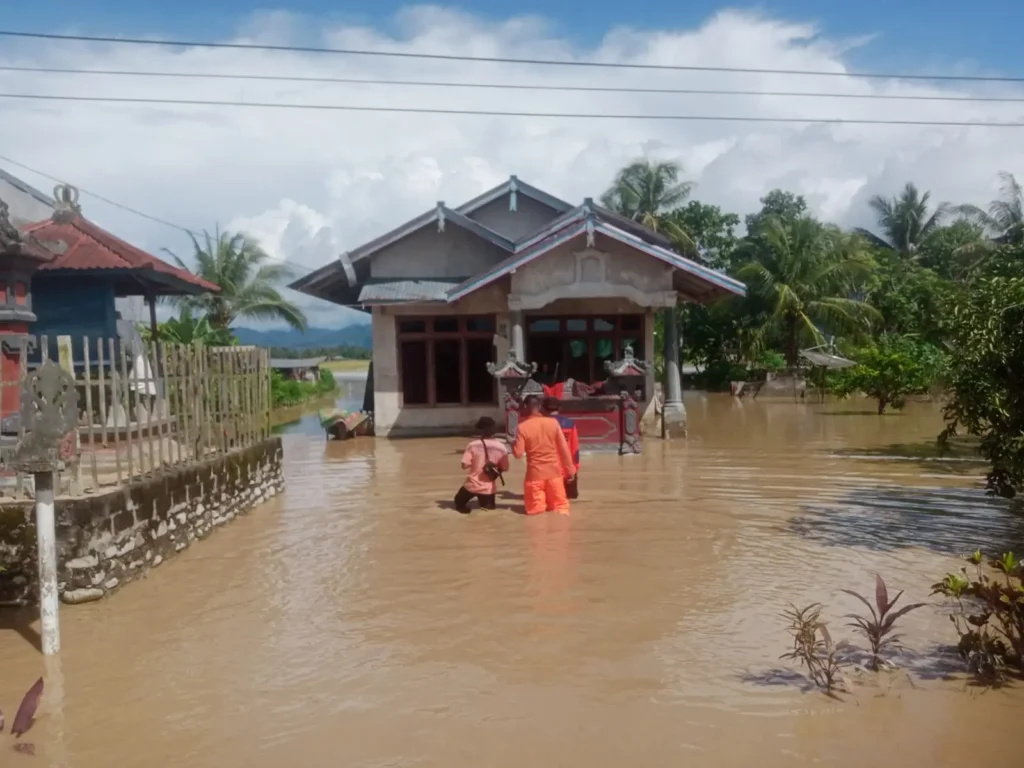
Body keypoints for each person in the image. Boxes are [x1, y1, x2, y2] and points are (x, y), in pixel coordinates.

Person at [512, 395, 576, 515]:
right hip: (554, 475)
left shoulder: (522, 428)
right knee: (560, 509)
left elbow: (518, 454)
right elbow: (564, 450)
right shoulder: (553, 423)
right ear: (540, 406)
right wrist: (570, 471)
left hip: (535, 476)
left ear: (525, 406)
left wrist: (512, 443)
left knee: (535, 512)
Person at [454, 416, 510, 514]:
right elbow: (505, 468)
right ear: (494, 431)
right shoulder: (501, 448)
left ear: (480, 430)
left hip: (471, 485)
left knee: (458, 502)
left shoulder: (472, 445)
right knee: (489, 509)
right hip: (489, 490)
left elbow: (464, 466)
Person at [542, 396, 580, 500]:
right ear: (559, 408)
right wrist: (575, 468)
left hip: (549, 472)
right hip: (568, 470)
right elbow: (575, 449)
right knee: (570, 501)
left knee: (549, 501)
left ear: (543, 409)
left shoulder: (541, 425)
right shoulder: (569, 423)